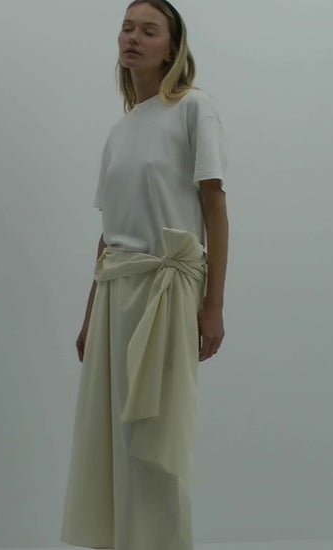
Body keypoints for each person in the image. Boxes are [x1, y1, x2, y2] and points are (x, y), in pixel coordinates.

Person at [61, 1, 228, 549]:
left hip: (168, 288)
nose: (132, 37)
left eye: (149, 30)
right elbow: (109, 233)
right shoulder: (121, 129)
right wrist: (90, 315)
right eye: (127, 27)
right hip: (116, 291)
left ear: (172, 47)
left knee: (156, 435)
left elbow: (215, 207)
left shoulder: (194, 109)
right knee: (112, 432)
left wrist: (213, 304)